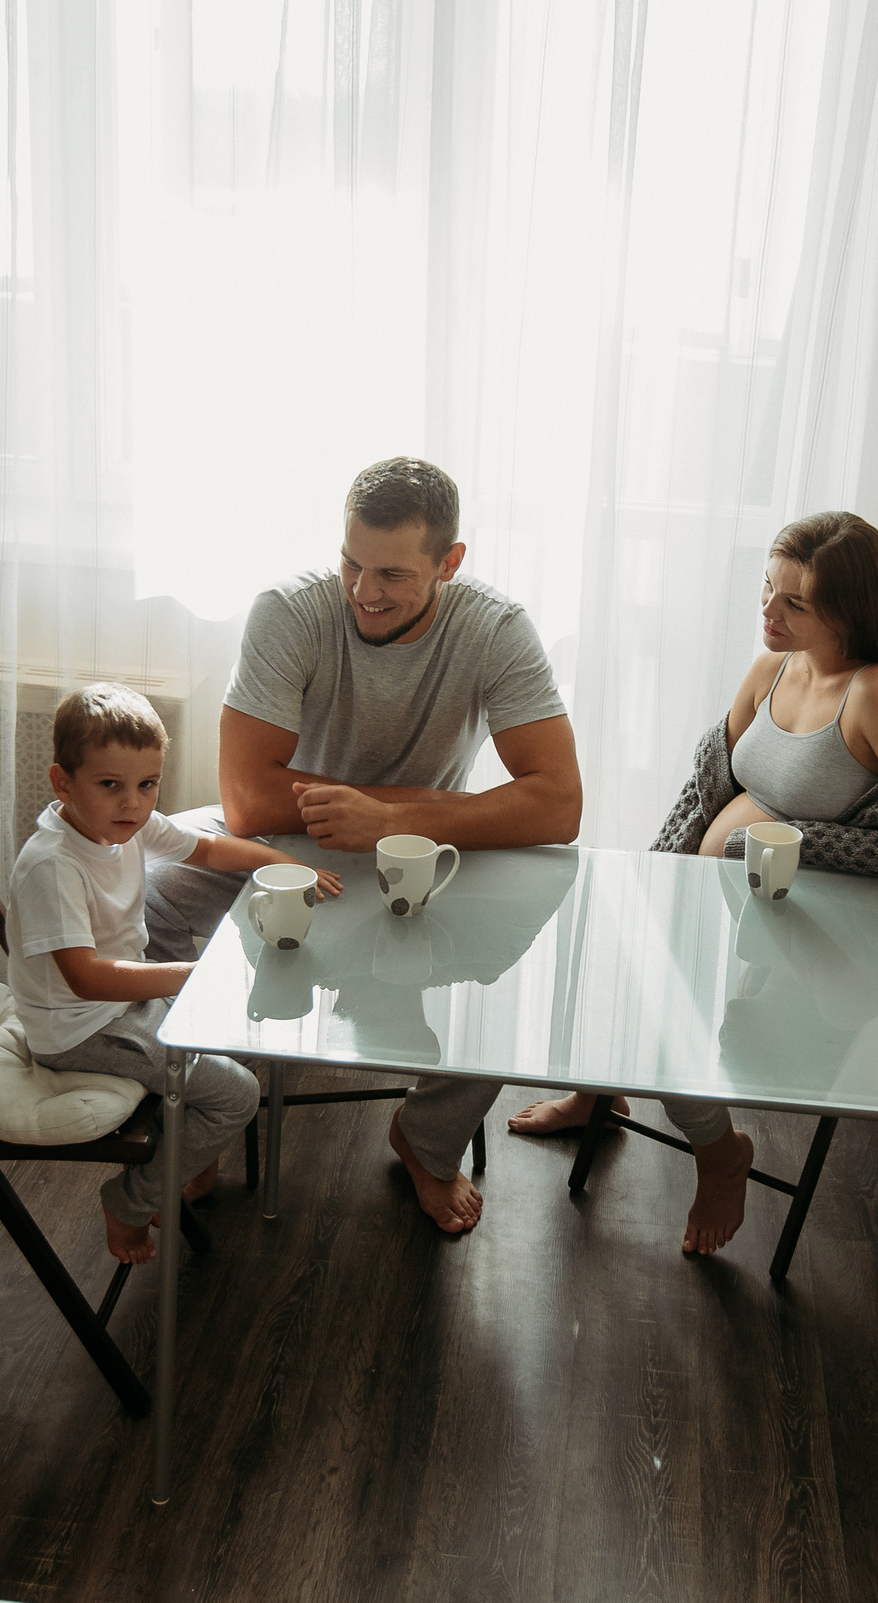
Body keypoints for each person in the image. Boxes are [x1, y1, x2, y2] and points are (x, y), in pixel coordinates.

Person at [508, 510, 878, 1254]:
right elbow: (703, 794)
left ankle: (720, 1151)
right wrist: (647, 886)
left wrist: (786, 840)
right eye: (767, 588)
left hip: (793, 938)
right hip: (713, 910)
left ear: (847, 613)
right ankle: (597, 1089)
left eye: (795, 603)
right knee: (599, 949)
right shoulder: (772, 667)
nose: (769, 611)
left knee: (665, 1024)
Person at [145, 458, 583, 1234]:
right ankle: (204, 1100)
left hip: (416, 854)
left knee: (520, 954)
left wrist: (387, 821)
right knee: (154, 888)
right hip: (280, 841)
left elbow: (559, 803)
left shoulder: (496, 626)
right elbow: (247, 796)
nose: (363, 590)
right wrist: (387, 810)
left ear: (450, 563)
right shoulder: (289, 609)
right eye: (351, 562)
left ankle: (427, 1136)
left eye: (391, 572)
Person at [12, 681, 343, 1265]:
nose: (132, 804)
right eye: (110, 785)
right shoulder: (52, 865)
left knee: (238, 1039)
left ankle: (176, 1170)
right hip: (80, 1029)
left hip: (123, 1002)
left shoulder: (125, 827)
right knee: (237, 1095)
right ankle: (131, 1201)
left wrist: (286, 864)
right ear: (62, 782)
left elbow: (210, 850)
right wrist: (191, 975)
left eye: (147, 785)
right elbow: (85, 979)